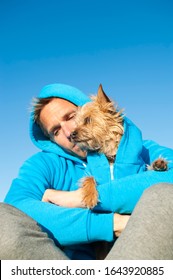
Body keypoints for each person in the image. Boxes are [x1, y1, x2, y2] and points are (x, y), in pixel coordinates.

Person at [1, 83, 173, 260]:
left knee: (165, 195)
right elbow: (16, 208)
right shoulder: (44, 164)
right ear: (50, 140)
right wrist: (111, 224)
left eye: (71, 117)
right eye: (56, 130)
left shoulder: (141, 148)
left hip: (140, 252)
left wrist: (79, 199)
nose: (69, 132)